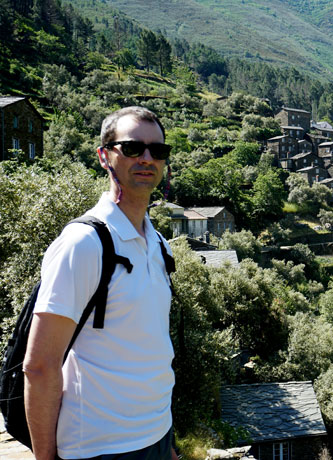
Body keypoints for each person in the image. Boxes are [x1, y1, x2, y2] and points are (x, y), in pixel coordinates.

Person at [22, 107, 178, 460]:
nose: (147, 158)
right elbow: (40, 366)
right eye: (133, 148)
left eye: (158, 150)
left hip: (157, 436)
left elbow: (150, 351)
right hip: (98, 448)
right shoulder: (84, 244)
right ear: (105, 156)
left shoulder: (159, 245)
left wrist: (167, 442)